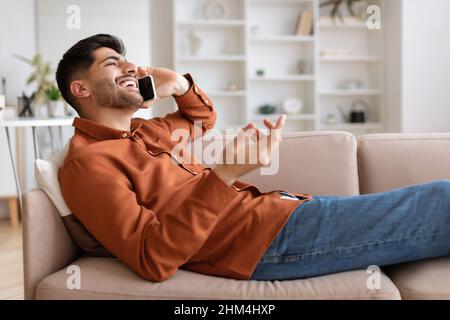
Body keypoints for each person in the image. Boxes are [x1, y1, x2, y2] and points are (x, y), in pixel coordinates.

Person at [56, 34, 450, 282]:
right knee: (441, 201)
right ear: (81, 88)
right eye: (112, 63)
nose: (129, 66)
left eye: (126, 60)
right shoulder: (88, 163)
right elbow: (152, 258)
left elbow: (200, 117)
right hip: (264, 241)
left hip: (281, 213)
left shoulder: (146, 133)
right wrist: (225, 173)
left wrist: (178, 84)